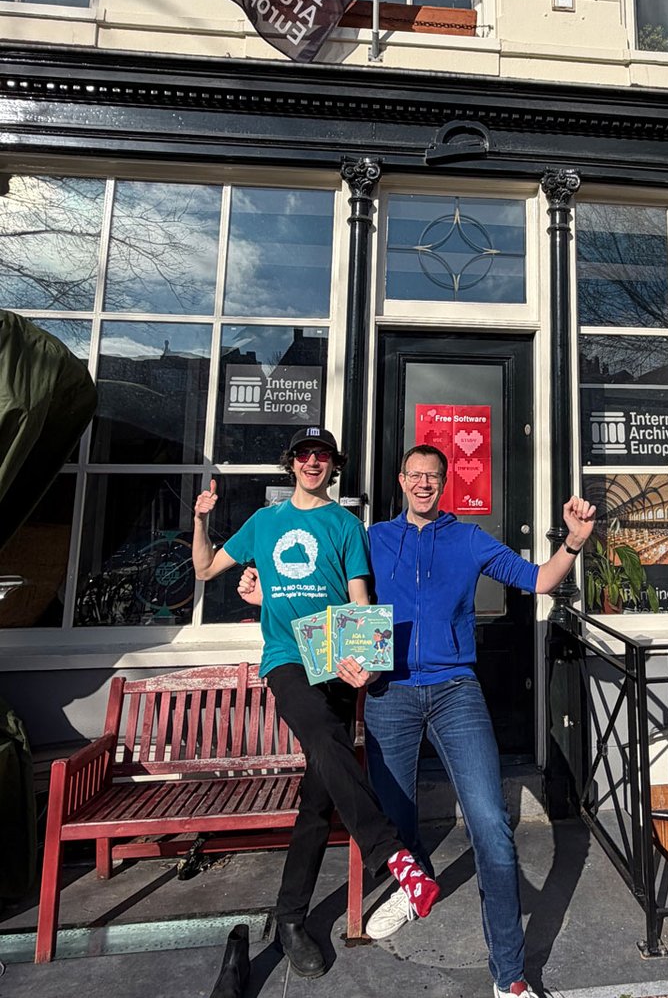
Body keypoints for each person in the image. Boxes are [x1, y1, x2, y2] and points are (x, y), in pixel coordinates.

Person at [192, 427, 440, 979]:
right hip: (286, 659)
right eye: (304, 455)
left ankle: (290, 919)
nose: (312, 462)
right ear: (292, 464)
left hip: (330, 662)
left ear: (333, 466)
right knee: (329, 742)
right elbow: (206, 570)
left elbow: (359, 599)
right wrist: (202, 520)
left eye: (322, 456)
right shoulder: (264, 523)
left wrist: (363, 661)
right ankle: (392, 855)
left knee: (318, 798)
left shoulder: (347, 525)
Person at [359, 444, 594, 998]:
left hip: (454, 692)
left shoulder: (467, 538)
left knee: (490, 825)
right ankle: (410, 887)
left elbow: (537, 580)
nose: (423, 484)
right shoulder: (371, 539)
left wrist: (575, 542)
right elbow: (329, 592)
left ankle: (509, 975)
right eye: (414, 475)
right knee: (395, 819)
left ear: (444, 484)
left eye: (432, 477)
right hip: (387, 692)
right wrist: (257, 593)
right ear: (400, 480)